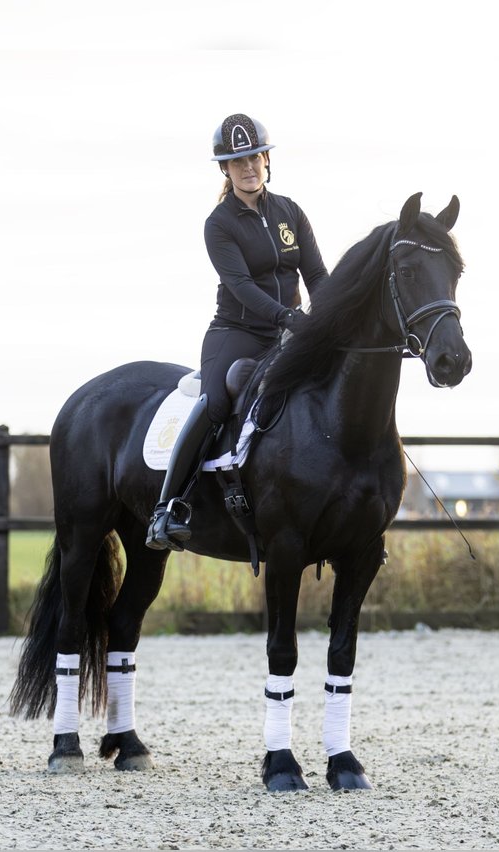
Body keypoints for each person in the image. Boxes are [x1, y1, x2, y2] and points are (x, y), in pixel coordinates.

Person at [146, 113, 330, 551]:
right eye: (237, 161)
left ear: (266, 159)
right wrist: (287, 317)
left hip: (291, 332)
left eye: (254, 157)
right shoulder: (219, 224)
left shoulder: (291, 212)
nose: (248, 167)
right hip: (237, 331)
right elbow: (242, 287)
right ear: (225, 170)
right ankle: (167, 507)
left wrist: (330, 318)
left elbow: (318, 276)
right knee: (215, 401)